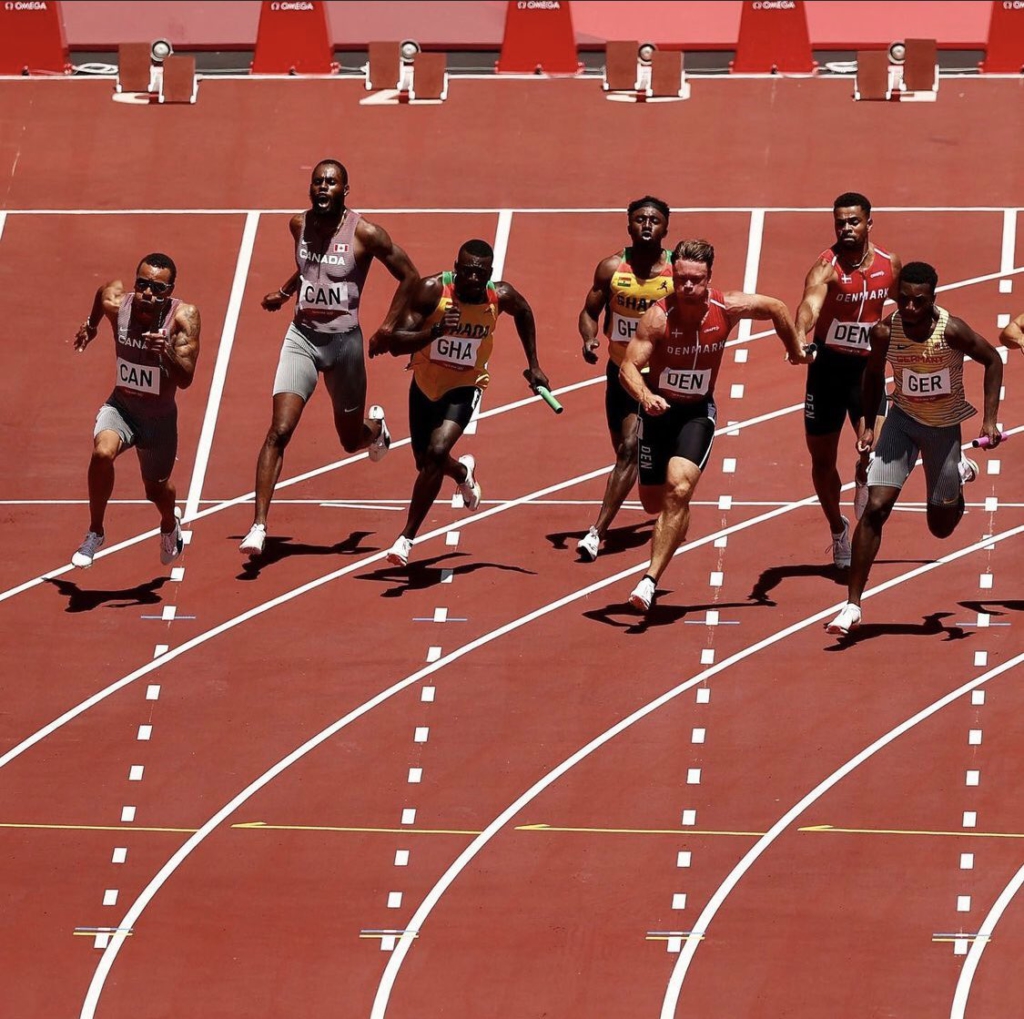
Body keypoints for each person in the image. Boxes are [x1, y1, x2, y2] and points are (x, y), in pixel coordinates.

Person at [239, 158, 420, 556]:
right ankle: (258, 526)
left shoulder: (366, 234)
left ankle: (377, 432)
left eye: (331, 182)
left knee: (348, 440)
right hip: (301, 338)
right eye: (317, 182)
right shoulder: (297, 225)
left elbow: (411, 277)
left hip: (344, 346)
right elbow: (309, 269)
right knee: (279, 431)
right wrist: (285, 294)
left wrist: (389, 326)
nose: (323, 188)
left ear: (345, 190)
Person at [620, 239, 810, 613]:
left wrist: (795, 347)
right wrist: (646, 398)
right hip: (658, 413)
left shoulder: (727, 307)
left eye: (696, 280)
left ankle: (649, 580)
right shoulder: (657, 318)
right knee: (652, 503)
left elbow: (776, 307)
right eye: (681, 279)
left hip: (696, 414)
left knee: (680, 487)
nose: (687, 287)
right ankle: (675, 526)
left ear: (709, 278)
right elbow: (628, 367)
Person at [827, 262, 1004, 636]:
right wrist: (870, 427)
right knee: (875, 507)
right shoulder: (884, 332)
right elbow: (872, 375)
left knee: (939, 528)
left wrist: (989, 420)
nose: (909, 308)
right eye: (903, 300)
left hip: (943, 427)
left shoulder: (951, 330)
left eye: (918, 302)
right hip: (902, 422)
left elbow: (993, 359)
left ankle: (957, 479)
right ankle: (852, 606)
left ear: (932, 300)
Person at [369, 239, 550, 567]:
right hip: (425, 382)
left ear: (489, 274)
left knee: (436, 453)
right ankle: (463, 471)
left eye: (479, 274)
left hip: (466, 385)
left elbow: (524, 312)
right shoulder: (431, 291)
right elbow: (396, 343)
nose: (472, 279)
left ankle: (406, 538)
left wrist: (534, 365)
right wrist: (436, 332)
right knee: (426, 462)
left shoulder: (500, 296)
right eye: (465, 272)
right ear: (456, 269)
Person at [71, 253, 201, 568]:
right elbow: (104, 290)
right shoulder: (120, 305)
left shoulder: (184, 317)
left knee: (156, 490)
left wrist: (166, 351)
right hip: (122, 407)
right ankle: (95, 531)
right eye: (142, 284)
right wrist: (91, 326)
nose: (147, 293)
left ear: (170, 290)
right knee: (102, 453)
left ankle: (169, 525)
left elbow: (185, 380)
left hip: (158, 421)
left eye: (157, 288)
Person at [794, 192, 901, 569]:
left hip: (867, 372)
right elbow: (809, 305)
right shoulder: (826, 268)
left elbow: (907, 306)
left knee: (872, 450)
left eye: (853, 221)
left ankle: (862, 473)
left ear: (869, 223)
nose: (846, 228)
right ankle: (838, 530)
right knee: (822, 461)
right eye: (840, 222)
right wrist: (800, 336)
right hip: (826, 371)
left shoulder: (889, 266)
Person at [576, 196, 674, 561]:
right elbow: (588, 312)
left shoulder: (676, 274)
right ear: (628, 225)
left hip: (660, 377)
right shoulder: (612, 268)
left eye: (654, 220)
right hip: (619, 373)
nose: (647, 225)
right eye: (639, 220)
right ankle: (664, 490)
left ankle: (595, 532)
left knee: (631, 449)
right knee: (624, 450)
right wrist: (589, 338)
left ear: (666, 227)